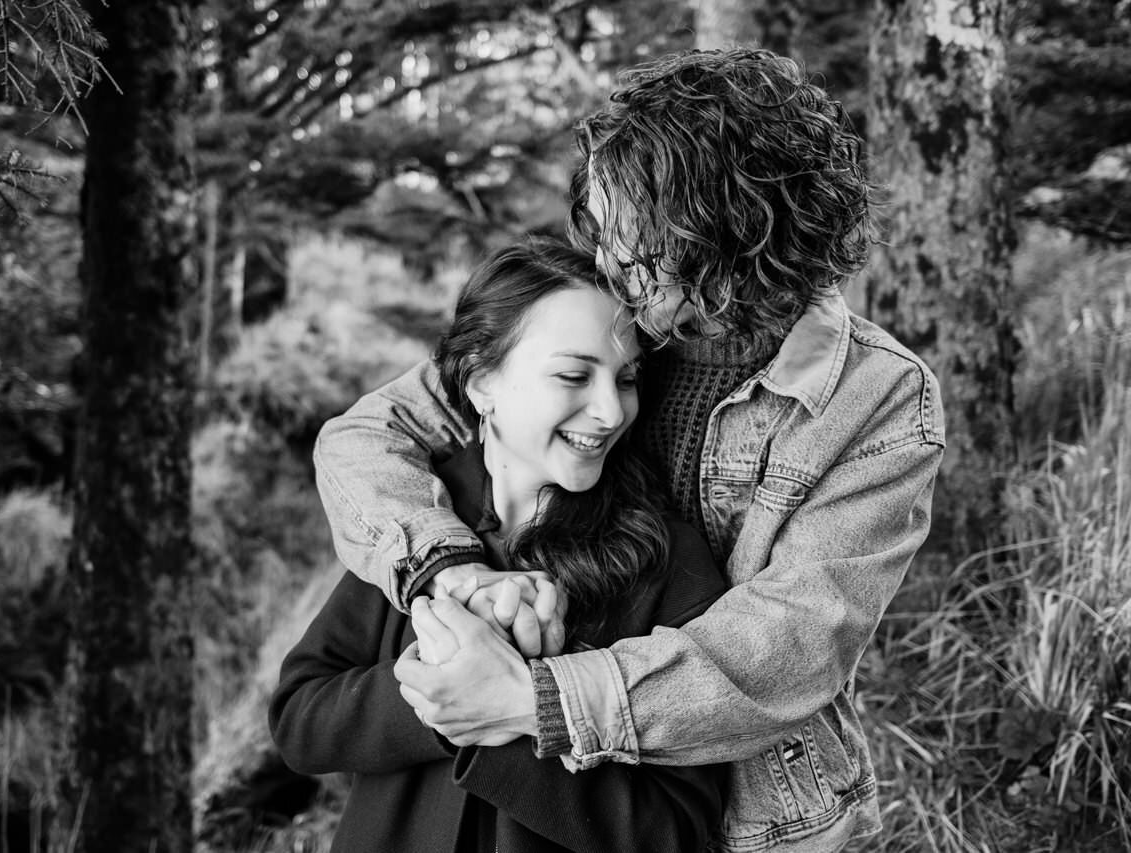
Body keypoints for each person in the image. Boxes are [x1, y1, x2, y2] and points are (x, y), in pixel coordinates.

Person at [312, 48, 946, 852]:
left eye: (634, 234)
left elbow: (794, 642)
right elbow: (370, 435)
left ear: (728, 229)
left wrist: (536, 700)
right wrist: (450, 569)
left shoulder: (879, 397)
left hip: (762, 815)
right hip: (561, 803)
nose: (608, 260)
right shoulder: (610, 315)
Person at [271, 239, 730, 853]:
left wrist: (511, 710)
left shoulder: (664, 557)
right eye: (573, 375)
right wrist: (435, 699)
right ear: (482, 381)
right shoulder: (418, 519)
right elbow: (300, 720)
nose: (608, 410)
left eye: (625, 379)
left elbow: (677, 828)